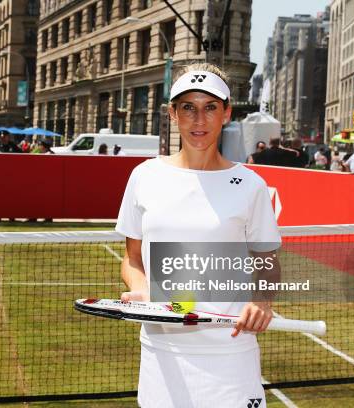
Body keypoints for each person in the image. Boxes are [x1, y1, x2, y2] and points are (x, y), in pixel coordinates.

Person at [116, 63, 281, 407]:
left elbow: (267, 262)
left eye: (210, 108)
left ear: (226, 114)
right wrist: (141, 288)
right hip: (163, 354)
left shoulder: (251, 186)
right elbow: (132, 259)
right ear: (173, 114)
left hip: (230, 355)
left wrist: (262, 301)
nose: (199, 120)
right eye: (188, 107)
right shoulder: (144, 176)